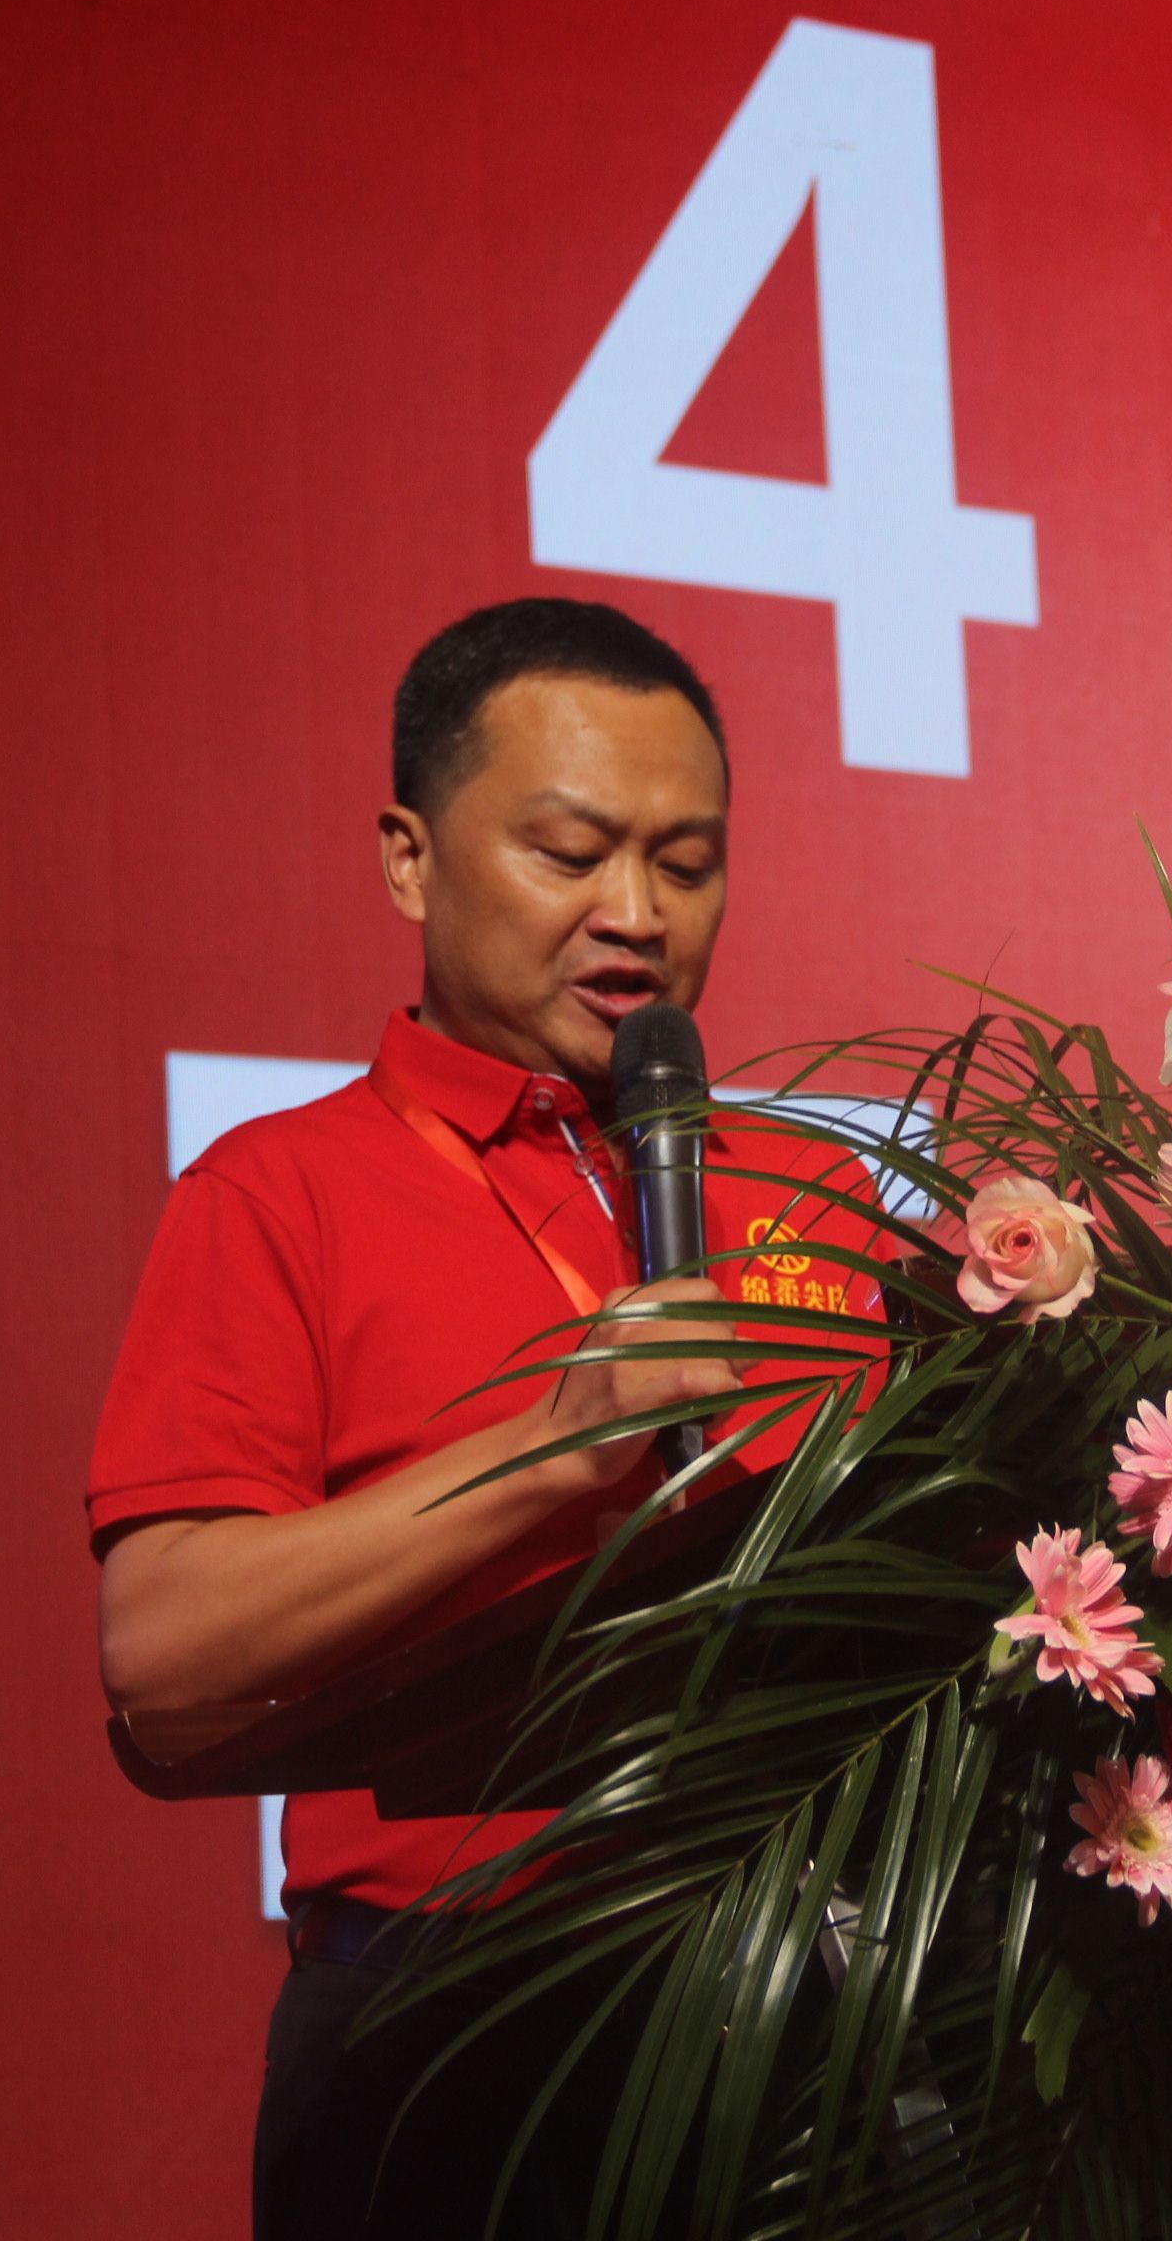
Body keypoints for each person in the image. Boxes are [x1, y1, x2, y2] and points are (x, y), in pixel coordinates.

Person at [86, 598, 886, 2238]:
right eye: (570, 853)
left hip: (806, 2007)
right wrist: (548, 1457)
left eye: (686, 864)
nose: (635, 916)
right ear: (409, 861)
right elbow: (162, 1656)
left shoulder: (821, 1190)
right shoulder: (279, 1192)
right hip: (448, 2034)